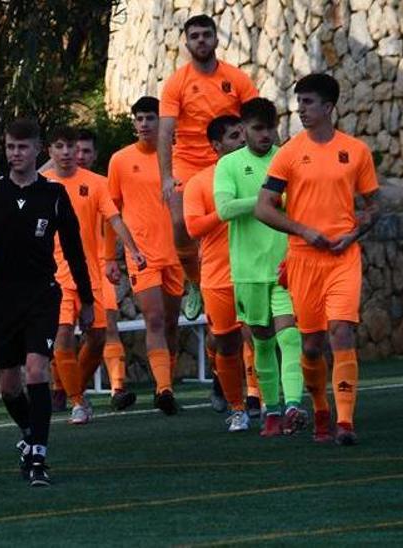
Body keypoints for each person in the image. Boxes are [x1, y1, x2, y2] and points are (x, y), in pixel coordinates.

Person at [0, 119, 95, 487]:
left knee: (36, 370)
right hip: (2, 299)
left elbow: (74, 250)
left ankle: (38, 455)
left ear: (38, 150)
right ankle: (30, 432)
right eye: (9, 147)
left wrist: (86, 297)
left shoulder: (52, 196)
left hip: (42, 295)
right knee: (8, 386)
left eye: (22, 147)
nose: (15, 154)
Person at [255, 73, 379, 446]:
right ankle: (320, 409)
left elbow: (374, 207)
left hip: (343, 258)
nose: (301, 110)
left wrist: (354, 233)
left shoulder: (356, 151)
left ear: (328, 107)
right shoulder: (289, 153)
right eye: (300, 103)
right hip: (304, 259)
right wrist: (303, 231)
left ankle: (344, 422)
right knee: (310, 345)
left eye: (308, 103)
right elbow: (264, 208)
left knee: (341, 330)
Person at [215, 98, 317, 438]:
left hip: (286, 266)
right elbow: (225, 209)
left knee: (289, 337)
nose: (266, 135)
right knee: (260, 341)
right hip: (247, 270)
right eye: (258, 128)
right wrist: (265, 198)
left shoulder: (287, 160)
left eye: (271, 127)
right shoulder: (229, 165)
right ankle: (271, 411)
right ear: (243, 130)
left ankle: (291, 407)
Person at [40, 126, 145, 425]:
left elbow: (114, 218)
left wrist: (133, 250)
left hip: (89, 275)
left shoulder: (97, 184)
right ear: (50, 152)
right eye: (58, 147)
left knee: (98, 338)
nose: (66, 152)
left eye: (70, 147)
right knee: (61, 338)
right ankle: (76, 401)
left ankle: (70, 387)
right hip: (55, 277)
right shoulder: (40, 185)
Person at [158, 14, 259, 321]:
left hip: (228, 160)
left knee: (249, 218)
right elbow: (165, 131)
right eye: (194, 36)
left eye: (206, 34)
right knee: (180, 223)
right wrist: (165, 177)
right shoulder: (178, 81)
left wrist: (275, 162)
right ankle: (194, 282)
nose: (200, 40)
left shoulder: (236, 78)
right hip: (188, 161)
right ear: (187, 43)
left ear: (216, 39)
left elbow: (257, 117)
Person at [107, 97, 184, 415]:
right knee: (153, 319)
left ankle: (167, 381)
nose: (144, 124)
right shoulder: (120, 160)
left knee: (171, 324)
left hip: (178, 253)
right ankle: (163, 389)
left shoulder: (179, 158)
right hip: (142, 254)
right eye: (139, 118)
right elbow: (110, 211)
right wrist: (111, 256)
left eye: (150, 118)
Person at [182, 115, 253, 432]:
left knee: (256, 336)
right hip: (217, 274)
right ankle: (236, 404)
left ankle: (258, 400)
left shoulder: (258, 171)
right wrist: (227, 208)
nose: (241, 140)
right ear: (215, 145)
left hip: (254, 269)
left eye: (243, 134)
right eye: (233, 136)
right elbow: (194, 226)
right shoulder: (199, 183)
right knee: (225, 342)